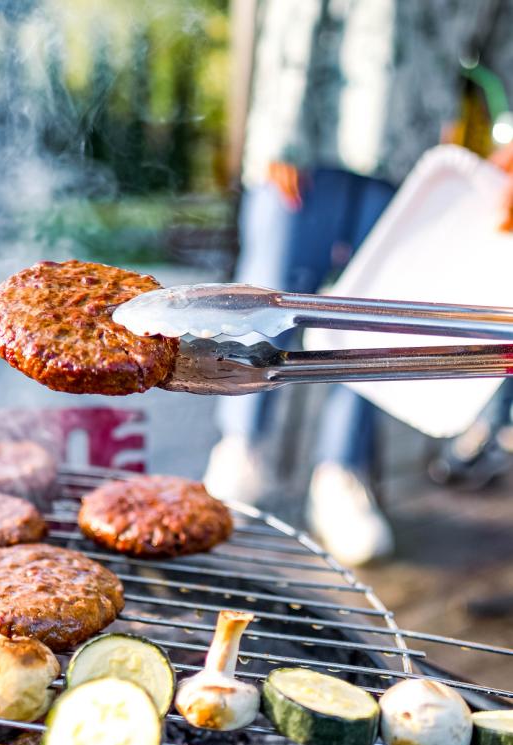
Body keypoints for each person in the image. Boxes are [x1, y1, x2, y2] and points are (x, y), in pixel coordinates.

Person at [204, 0, 513, 566]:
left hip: (412, 137)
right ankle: (241, 449)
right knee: (265, 296)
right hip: (309, 123)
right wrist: (280, 129)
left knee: (376, 313)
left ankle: (341, 471)